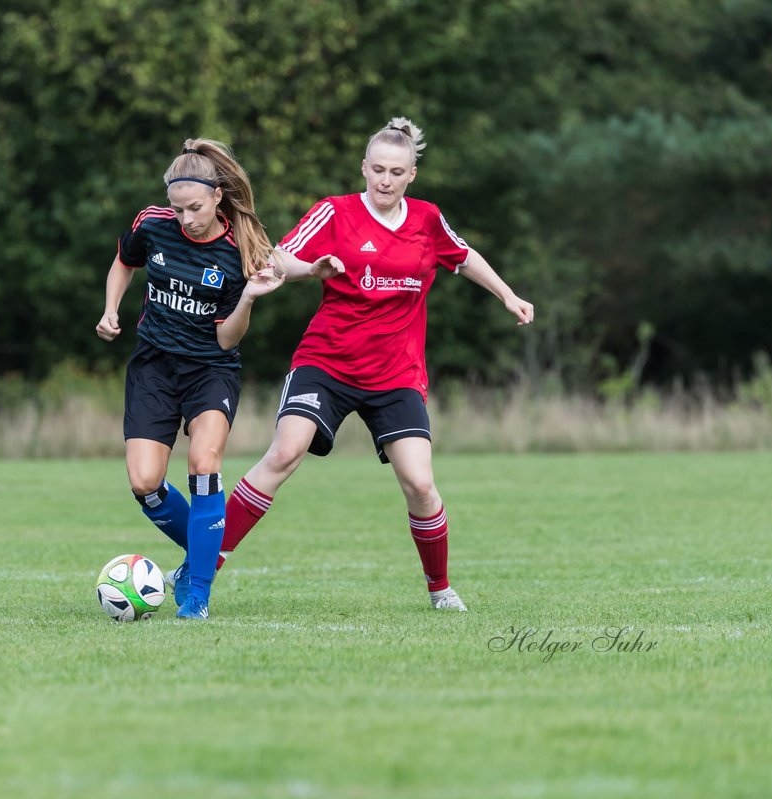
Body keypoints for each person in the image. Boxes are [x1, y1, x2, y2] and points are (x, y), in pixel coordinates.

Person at [186, 117, 534, 612]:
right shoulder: (335, 212)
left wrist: (508, 295)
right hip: (326, 363)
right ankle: (201, 571)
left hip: (396, 375)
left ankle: (440, 589)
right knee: (285, 454)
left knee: (420, 483)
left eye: (396, 171)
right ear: (363, 168)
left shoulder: (427, 220)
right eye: (377, 170)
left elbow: (462, 255)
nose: (385, 180)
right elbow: (280, 259)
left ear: (412, 174)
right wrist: (314, 269)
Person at [96, 138, 282, 620]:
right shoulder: (152, 224)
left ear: (219, 196)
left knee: (204, 462)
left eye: (194, 208)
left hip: (210, 369)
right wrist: (111, 308)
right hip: (154, 365)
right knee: (145, 482)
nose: (185, 218)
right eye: (177, 208)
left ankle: (196, 592)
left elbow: (226, 341)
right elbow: (124, 261)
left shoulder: (239, 249)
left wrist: (248, 299)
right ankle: (206, 550)